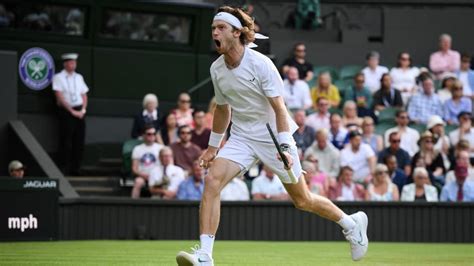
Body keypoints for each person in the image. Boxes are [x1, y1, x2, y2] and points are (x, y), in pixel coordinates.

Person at [176, 7, 369, 265]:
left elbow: (279, 108)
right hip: (242, 136)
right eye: (213, 28)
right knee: (212, 182)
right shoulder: (216, 69)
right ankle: (205, 256)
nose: (215, 32)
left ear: (237, 32)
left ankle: (351, 223)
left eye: (220, 28)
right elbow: (223, 109)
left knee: (302, 200)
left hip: (273, 137)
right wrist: (213, 147)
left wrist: (286, 147)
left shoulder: (261, 64)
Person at [52, 53, 88, 176]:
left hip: (80, 111)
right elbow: (60, 97)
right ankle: (63, 168)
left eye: (75, 62)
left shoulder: (79, 77)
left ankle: (76, 168)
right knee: (66, 141)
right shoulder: (58, 77)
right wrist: (72, 111)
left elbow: (84, 94)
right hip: (66, 111)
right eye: (71, 62)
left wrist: (83, 110)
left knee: (79, 141)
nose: (73, 65)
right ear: (65, 64)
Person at [130, 125, 164, 198]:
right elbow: (134, 169)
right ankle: (133, 204)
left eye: (154, 134)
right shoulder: (137, 149)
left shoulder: (160, 148)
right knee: (138, 182)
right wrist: (144, 175)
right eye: (149, 134)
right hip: (142, 176)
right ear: (143, 135)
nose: (151, 136)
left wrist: (154, 176)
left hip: (157, 176)